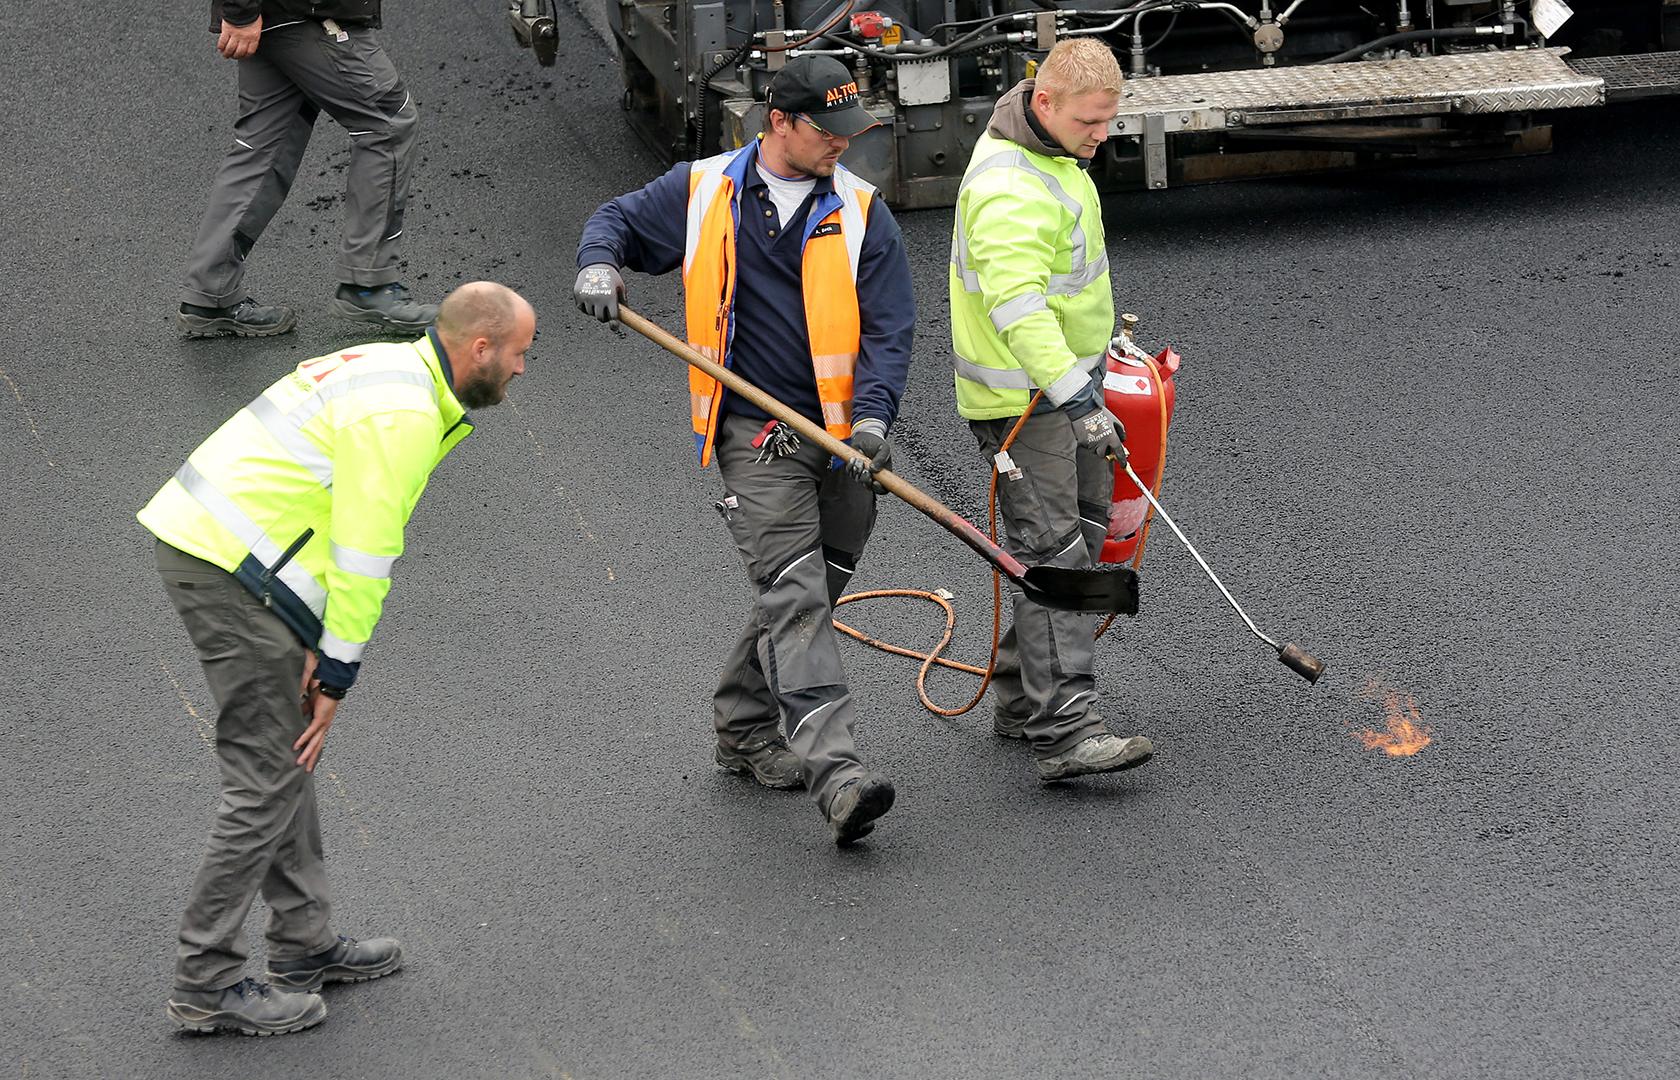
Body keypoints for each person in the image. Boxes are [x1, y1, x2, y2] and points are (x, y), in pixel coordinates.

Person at [142, 282, 534, 1035]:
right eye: (519, 353)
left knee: (285, 756)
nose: (522, 369)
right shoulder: (404, 415)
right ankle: (206, 980)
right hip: (232, 566)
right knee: (266, 777)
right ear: (480, 348)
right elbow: (364, 554)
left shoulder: (396, 371)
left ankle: (304, 943)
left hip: (227, 549)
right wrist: (336, 673)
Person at [572, 56, 914, 846]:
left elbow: (890, 332)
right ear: (778, 122)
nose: (843, 146)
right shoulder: (701, 192)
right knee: (794, 596)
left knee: (812, 586)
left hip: (843, 442)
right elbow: (614, 222)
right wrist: (598, 263)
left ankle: (743, 725)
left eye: (849, 132)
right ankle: (839, 775)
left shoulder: (864, 212)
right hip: (756, 437)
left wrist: (871, 424)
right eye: (828, 133)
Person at [947, 39, 1155, 781]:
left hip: (1067, 391)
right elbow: (1019, 305)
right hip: (1025, 404)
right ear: (1045, 103)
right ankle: (1066, 731)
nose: (1103, 134)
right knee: (1058, 558)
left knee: (1079, 537)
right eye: (1091, 121)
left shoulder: (1054, 156)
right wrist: (1076, 396)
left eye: (1109, 119)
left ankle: (1020, 698)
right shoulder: (1010, 186)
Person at [177, 0, 437, 339]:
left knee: (266, 146)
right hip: (306, 12)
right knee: (388, 121)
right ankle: (369, 284)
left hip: (281, 16)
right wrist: (240, 11)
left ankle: (209, 293)